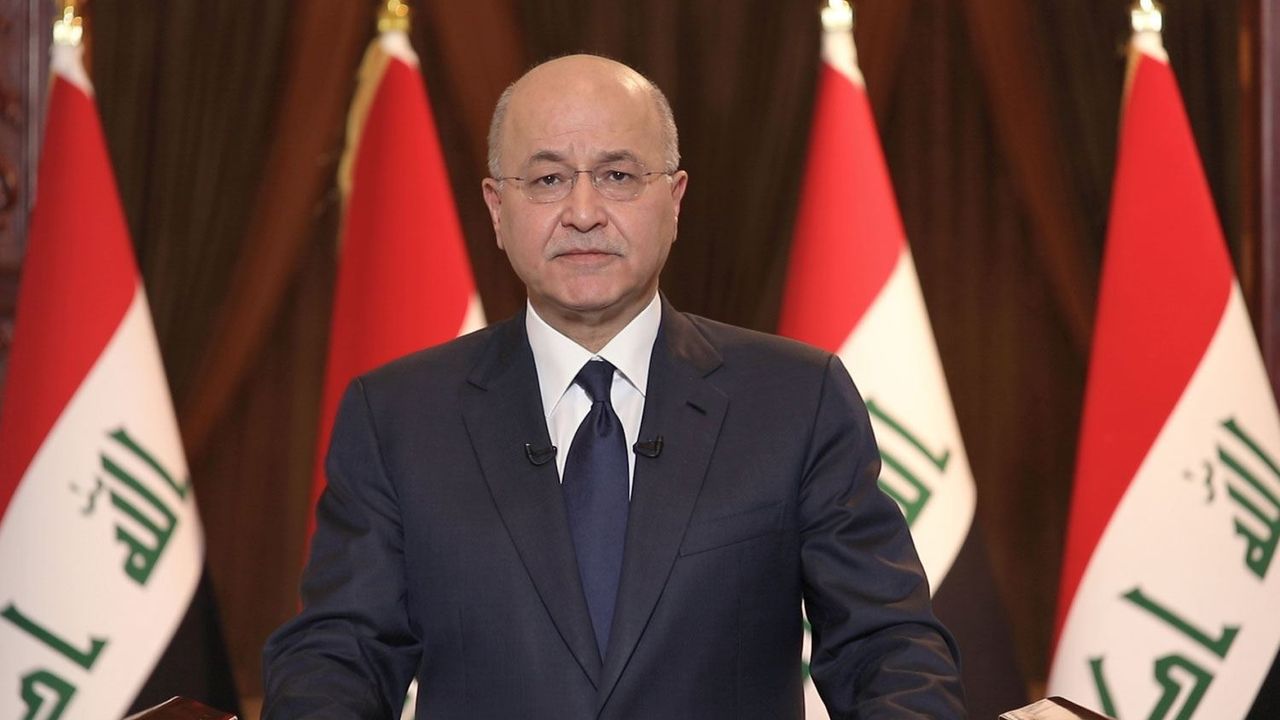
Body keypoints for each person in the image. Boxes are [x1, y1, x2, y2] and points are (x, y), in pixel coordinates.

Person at [263, 54, 965, 719]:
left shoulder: (795, 400)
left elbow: (887, 647)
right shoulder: (399, 417)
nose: (583, 211)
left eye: (618, 175)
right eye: (547, 179)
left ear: (675, 198)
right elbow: (338, 655)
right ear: (497, 209)